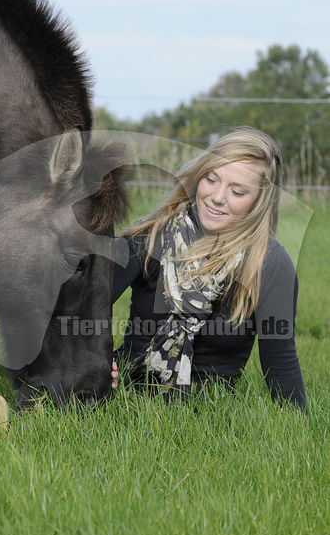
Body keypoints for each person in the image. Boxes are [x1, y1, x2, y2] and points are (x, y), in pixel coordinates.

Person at [110, 127, 306, 411]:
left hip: (210, 410)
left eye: (237, 191)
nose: (217, 197)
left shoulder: (269, 263)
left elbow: (281, 361)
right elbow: (82, 308)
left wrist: (300, 429)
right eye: (211, 179)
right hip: (125, 396)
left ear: (259, 202)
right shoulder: (151, 238)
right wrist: (99, 361)